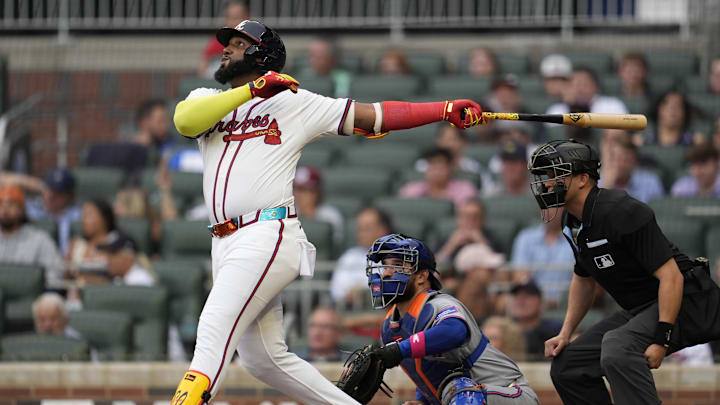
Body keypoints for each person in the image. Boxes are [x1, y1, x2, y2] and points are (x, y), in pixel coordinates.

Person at [170, 19, 486, 405]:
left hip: (265, 233)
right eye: (228, 43)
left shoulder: (294, 102)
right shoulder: (205, 97)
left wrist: (445, 109)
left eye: (238, 43)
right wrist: (252, 89)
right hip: (224, 241)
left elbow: (376, 115)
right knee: (263, 359)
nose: (226, 49)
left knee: (214, 328)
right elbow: (185, 121)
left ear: (261, 54)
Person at [528, 139, 720, 405]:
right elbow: (583, 279)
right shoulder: (572, 221)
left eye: (556, 175)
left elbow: (671, 276)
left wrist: (661, 340)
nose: (547, 183)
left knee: (618, 348)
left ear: (583, 179)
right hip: (643, 308)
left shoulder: (621, 211)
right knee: (569, 365)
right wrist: (565, 332)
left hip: (688, 301)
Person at [364, 234, 538, 405]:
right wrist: (423, 401)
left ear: (422, 277)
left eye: (396, 265)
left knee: (464, 393)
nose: (387, 273)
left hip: (509, 391)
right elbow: (429, 371)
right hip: (464, 394)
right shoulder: (390, 327)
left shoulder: (439, 304)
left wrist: (400, 349)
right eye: (385, 266)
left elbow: (455, 332)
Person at [0, 185, 65, 287]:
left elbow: (55, 274)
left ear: (22, 209)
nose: (4, 210)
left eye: (11, 205)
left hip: (30, 297)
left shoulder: (40, 239)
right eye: (1, 205)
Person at [510, 207, 575, 304]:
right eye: (543, 205)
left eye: (553, 206)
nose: (548, 210)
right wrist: (540, 300)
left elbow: (580, 280)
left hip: (568, 302)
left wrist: (559, 301)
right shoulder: (525, 237)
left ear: (566, 209)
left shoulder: (576, 239)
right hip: (532, 300)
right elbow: (520, 276)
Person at [330, 207, 392, 305]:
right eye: (359, 229)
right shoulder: (349, 256)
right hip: (347, 308)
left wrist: (362, 293)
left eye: (366, 228)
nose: (361, 233)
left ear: (383, 230)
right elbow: (336, 290)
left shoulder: (396, 256)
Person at [19, 168, 82, 255]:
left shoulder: (79, 215)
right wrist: (37, 185)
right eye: (48, 189)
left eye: (58, 192)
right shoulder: (32, 209)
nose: (51, 195)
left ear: (71, 196)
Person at [398, 147, 477, 210]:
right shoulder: (410, 189)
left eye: (440, 166)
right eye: (432, 165)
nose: (435, 171)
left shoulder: (465, 189)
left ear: (450, 168)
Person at [435, 199, 502, 269]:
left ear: (483, 220)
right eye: (466, 216)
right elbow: (433, 265)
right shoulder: (447, 238)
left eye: (475, 217)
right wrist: (451, 245)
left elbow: (500, 263)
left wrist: (482, 242)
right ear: (458, 219)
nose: (470, 221)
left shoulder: (492, 238)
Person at [599, 135, 664, 203]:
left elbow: (660, 210)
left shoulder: (651, 183)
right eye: (615, 159)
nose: (619, 164)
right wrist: (606, 187)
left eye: (625, 159)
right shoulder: (595, 183)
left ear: (635, 162)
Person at [508, 281, 562, 361]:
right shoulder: (502, 330)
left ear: (541, 303)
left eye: (527, 297)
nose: (520, 301)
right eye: (516, 296)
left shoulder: (556, 330)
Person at [453, 242, 506, 325]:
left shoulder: (492, 299)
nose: (493, 272)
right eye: (488, 269)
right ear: (471, 270)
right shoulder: (450, 297)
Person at [197, 0, 249, 78]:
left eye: (237, 18)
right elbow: (204, 61)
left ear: (247, 18)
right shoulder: (222, 38)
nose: (234, 22)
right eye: (230, 18)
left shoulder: (255, 37)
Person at [293, 166, 344, 245]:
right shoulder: (288, 215)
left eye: (304, 190)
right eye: (297, 189)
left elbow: (336, 247)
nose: (298, 195)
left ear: (316, 193)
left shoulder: (331, 216)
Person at [546, 67, 628, 116]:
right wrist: (571, 107)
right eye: (575, 85)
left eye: (584, 84)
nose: (579, 89)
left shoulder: (612, 105)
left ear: (596, 87)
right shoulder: (557, 110)